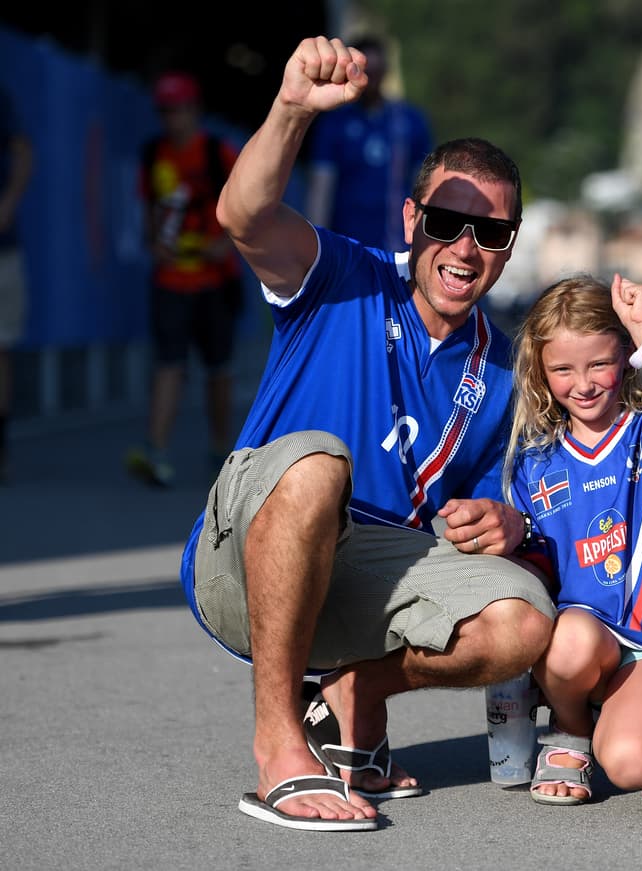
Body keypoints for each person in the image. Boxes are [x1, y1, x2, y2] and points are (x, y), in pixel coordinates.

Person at [179, 36, 555, 832]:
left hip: (357, 586)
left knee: (523, 620)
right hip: (246, 557)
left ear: (509, 246)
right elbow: (242, 213)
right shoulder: (342, 272)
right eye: (449, 222)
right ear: (412, 217)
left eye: (490, 234)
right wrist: (290, 110)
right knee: (319, 462)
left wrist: (510, 521)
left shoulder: (501, 372)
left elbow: (487, 521)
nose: (465, 249)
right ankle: (281, 741)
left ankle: (356, 691)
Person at [504, 274, 642, 805]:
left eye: (600, 364)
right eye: (563, 369)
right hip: (577, 643)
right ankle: (569, 728)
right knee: (572, 639)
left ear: (624, 358)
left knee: (634, 763)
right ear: (541, 374)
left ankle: (634, 718)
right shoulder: (532, 463)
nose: (584, 383)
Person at [125, 71, 242, 487]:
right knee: (168, 364)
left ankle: (222, 451)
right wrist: (153, 243)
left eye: (179, 109)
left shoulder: (217, 153)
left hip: (215, 279)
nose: (172, 118)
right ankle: (156, 450)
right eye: (165, 110)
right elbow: (150, 212)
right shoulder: (153, 155)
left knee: (218, 369)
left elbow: (249, 199)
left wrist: (227, 242)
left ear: (195, 110)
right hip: (171, 278)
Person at [305, 34, 434, 250]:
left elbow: (425, 186)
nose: (370, 80)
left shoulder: (409, 121)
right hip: (347, 245)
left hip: (396, 245)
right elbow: (321, 188)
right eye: (366, 72)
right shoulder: (334, 122)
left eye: (376, 72)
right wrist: (317, 245)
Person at [0, 84, 33, 483]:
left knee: (1, 345)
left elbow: (24, 153)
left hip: (2, 250)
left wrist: (7, 203)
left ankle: (1, 447)